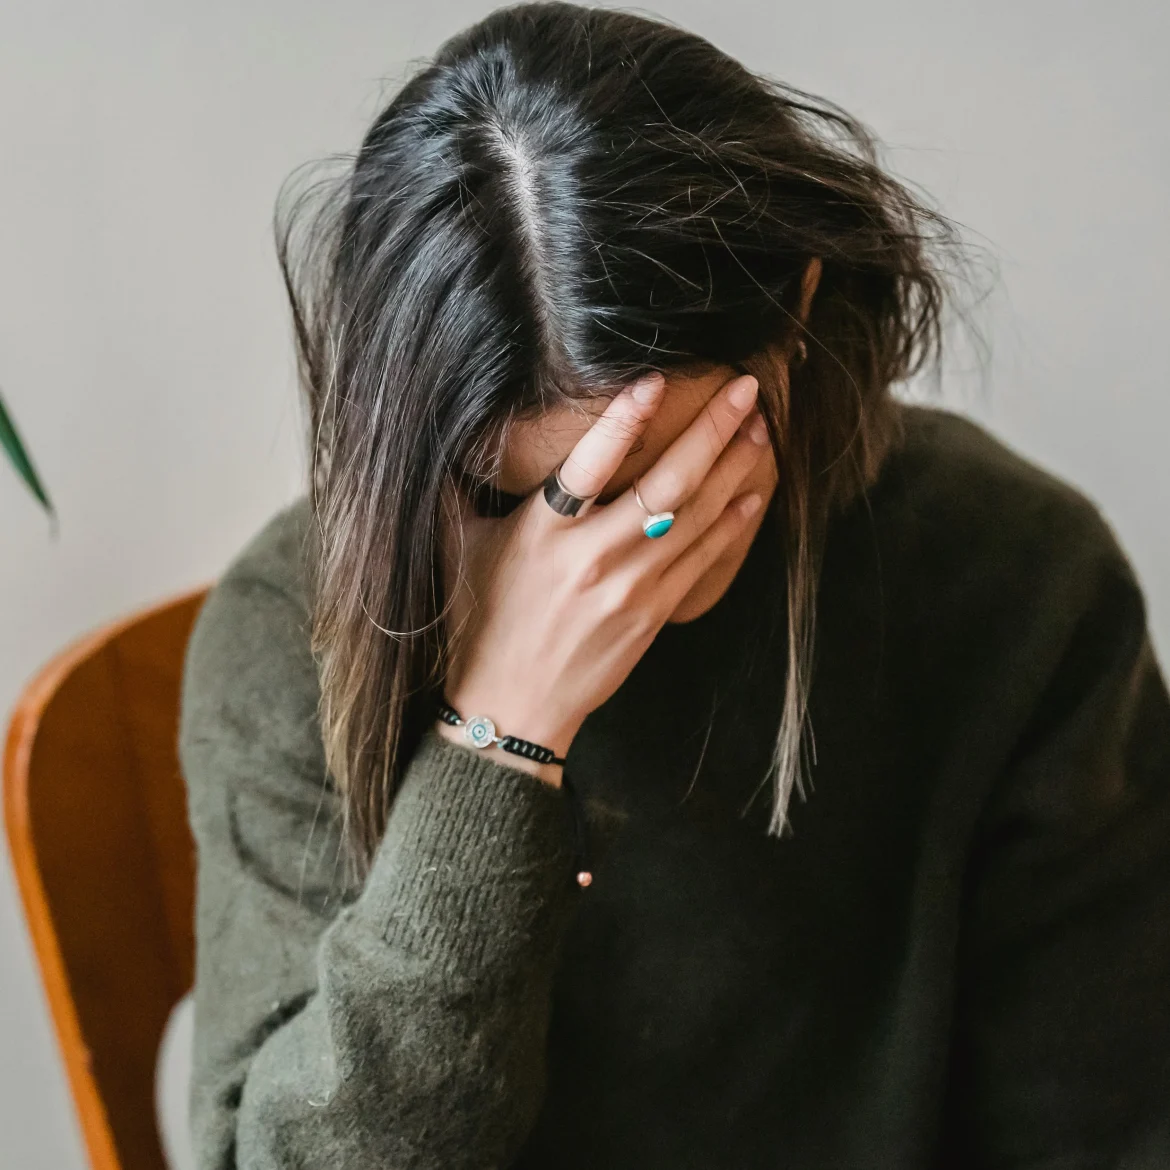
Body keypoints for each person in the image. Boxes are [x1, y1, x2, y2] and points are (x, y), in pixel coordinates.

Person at [177, 4, 1170, 1167]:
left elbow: (1105, 1121)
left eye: (660, 475)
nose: (606, 560)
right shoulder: (288, 636)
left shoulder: (1018, 579)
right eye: (523, 499)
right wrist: (496, 746)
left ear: (796, 307)